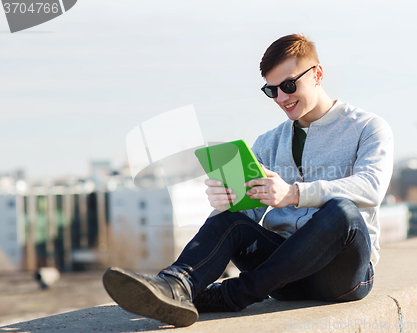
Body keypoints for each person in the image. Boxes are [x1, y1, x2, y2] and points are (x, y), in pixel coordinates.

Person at [103, 34, 394, 327]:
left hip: (341, 276)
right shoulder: (268, 143)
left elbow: (372, 187)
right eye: (272, 91)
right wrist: (228, 203)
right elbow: (248, 214)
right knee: (229, 221)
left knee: (342, 212)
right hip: (284, 277)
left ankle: (231, 294)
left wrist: (293, 194)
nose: (282, 98)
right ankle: (175, 286)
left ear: (317, 74)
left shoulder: (367, 127)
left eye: (289, 85)